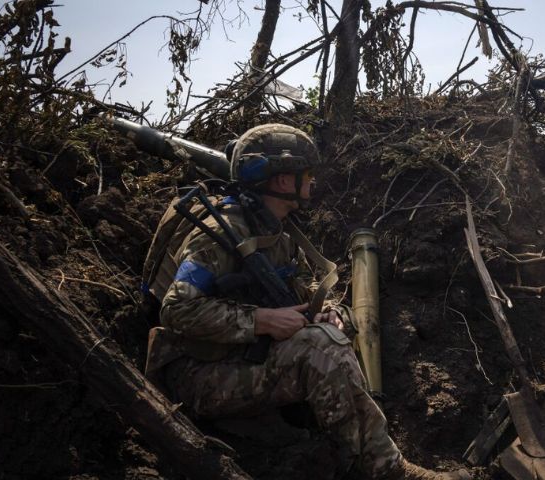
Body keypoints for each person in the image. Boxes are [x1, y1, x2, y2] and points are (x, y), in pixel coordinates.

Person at [143, 124, 470, 479]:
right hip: (198, 377)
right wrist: (262, 321)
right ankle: (384, 469)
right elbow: (176, 309)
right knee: (319, 347)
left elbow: (295, 294)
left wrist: (326, 313)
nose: (312, 183)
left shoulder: (275, 230)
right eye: (307, 174)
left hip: (239, 359)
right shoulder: (222, 231)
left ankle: (356, 448)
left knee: (329, 332)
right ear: (283, 181)